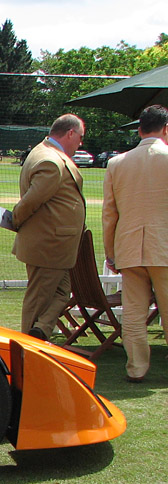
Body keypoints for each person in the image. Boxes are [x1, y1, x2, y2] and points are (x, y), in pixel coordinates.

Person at [102, 104, 168, 383]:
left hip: (129, 248)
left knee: (133, 313)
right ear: (166, 129)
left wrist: (111, 253)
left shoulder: (117, 163)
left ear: (140, 129)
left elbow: (109, 214)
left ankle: (136, 368)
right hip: (164, 248)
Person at [12, 114, 87, 340]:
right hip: (49, 246)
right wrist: (14, 220)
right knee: (38, 302)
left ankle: (41, 330)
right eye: (80, 138)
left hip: (54, 247)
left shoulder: (45, 153)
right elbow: (31, 202)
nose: (80, 144)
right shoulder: (51, 161)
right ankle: (28, 350)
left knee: (63, 292)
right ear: (70, 133)